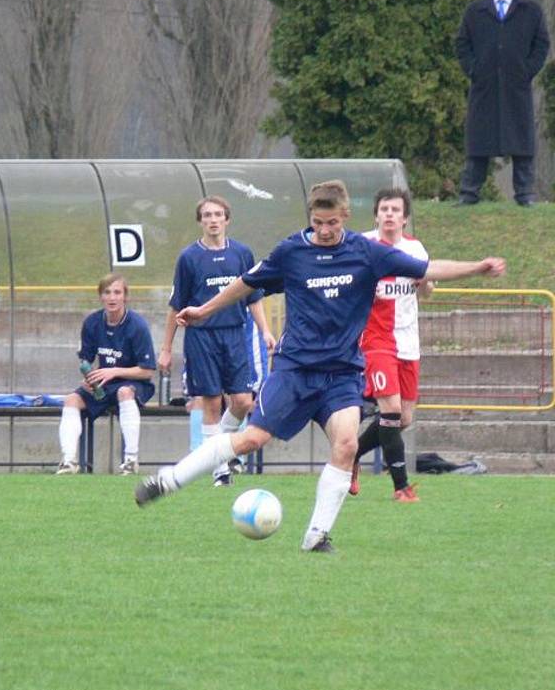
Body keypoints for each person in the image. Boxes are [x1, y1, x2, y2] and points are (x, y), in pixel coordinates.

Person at [135, 180, 505, 553]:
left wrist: (478, 267)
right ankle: (168, 480)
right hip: (295, 369)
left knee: (345, 445)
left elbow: (427, 268)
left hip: (342, 373)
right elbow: (245, 284)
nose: (324, 231)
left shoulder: (368, 252)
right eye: (317, 222)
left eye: (331, 222)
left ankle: (316, 536)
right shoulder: (291, 251)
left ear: (345, 215)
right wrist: (204, 309)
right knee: (251, 440)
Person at [158, 196, 275, 486]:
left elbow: (253, 297)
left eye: (218, 214)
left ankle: (218, 451)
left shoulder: (242, 254)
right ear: (200, 221)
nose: (213, 220)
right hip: (202, 337)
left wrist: (265, 331)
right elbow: (176, 305)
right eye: (207, 215)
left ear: (227, 219)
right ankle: (219, 470)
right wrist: (165, 348)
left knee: (243, 401)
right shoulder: (189, 258)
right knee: (210, 401)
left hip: (235, 335)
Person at [349, 188, 433, 502]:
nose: (389, 214)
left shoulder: (415, 249)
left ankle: (351, 454)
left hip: (409, 341)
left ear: (405, 217)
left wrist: (426, 284)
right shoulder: (363, 245)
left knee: (405, 418)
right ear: (376, 215)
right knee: (392, 410)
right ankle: (402, 487)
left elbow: (426, 294)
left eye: (395, 210)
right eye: (384, 209)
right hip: (376, 340)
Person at [455, 0, 550, 207]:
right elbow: (462, 44)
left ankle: (525, 195)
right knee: (478, 141)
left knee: (521, 141)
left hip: (516, 87)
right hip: (483, 87)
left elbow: (542, 45)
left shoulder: (530, 11)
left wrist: (526, 71)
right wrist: (474, 70)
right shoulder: (475, 11)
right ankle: (469, 193)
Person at [56, 273, 156, 475]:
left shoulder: (137, 326)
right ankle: (69, 462)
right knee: (71, 400)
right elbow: (85, 360)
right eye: (107, 292)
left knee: (124, 393)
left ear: (125, 297)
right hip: (103, 386)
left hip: (133, 383)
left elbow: (147, 371)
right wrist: (88, 379)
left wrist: (115, 371)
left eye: (117, 292)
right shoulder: (92, 323)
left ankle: (130, 460)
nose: (112, 298)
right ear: (101, 296)